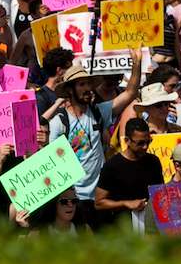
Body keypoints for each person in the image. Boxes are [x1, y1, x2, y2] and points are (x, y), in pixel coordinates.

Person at [46, 54, 142, 227]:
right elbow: (52, 162)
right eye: (82, 84)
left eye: (89, 83)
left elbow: (130, 93)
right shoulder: (60, 122)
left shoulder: (99, 112)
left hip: (101, 196)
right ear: (69, 90)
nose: (88, 88)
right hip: (75, 199)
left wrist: (137, 63)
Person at [94, 117, 164, 233]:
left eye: (148, 141)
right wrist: (126, 203)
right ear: (127, 140)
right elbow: (99, 203)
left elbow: (160, 194)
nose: (145, 147)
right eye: (140, 143)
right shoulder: (112, 166)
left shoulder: (154, 162)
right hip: (123, 230)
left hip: (150, 229)